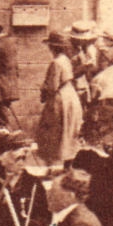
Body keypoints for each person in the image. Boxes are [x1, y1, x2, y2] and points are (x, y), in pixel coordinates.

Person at [36, 31, 84, 166]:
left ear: (52, 47)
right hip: (70, 95)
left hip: (60, 98)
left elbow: (52, 86)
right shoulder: (66, 60)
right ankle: (67, 160)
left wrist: (43, 89)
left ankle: (55, 162)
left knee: (55, 130)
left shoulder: (56, 62)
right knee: (68, 130)